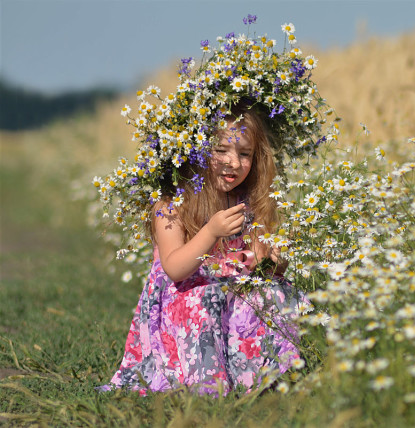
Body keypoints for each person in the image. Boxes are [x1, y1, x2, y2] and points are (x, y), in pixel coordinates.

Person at [100, 101, 307, 395]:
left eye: (244, 154)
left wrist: (274, 261)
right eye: (221, 150)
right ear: (195, 150)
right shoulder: (172, 203)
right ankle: (210, 382)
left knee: (277, 293)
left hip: (231, 289)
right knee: (207, 298)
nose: (233, 162)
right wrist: (211, 231)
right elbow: (175, 269)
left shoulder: (248, 200)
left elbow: (260, 262)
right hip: (183, 296)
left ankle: (269, 374)